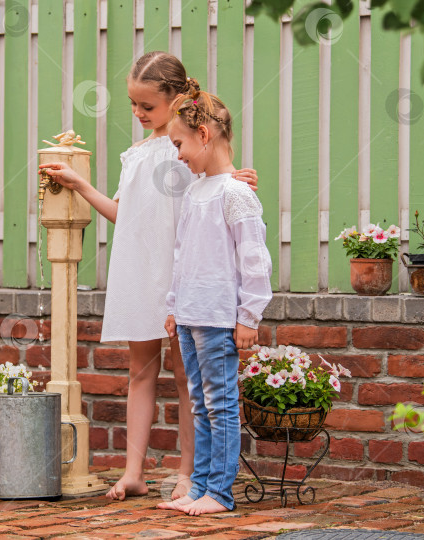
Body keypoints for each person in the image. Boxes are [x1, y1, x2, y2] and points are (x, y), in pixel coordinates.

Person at [39, 51, 258, 501]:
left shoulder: (187, 147)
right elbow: (127, 214)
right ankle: (133, 471)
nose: (138, 114)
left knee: (186, 377)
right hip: (142, 266)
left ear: (177, 99)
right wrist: (81, 186)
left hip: (184, 273)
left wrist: (238, 178)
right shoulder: (136, 153)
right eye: (133, 105)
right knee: (140, 371)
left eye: (147, 106)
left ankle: (187, 473)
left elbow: (214, 187)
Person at [157, 89, 272, 515]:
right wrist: (173, 304)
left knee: (220, 405)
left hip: (219, 317)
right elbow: (182, 253)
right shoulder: (194, 193)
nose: (179, 156)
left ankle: (220, 494)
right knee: (201, 404)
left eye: (180, 145)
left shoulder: (236, 193)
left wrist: (249, 316)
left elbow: (254, 259)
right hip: (190, 315)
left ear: (203, 134)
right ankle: (200, 486)